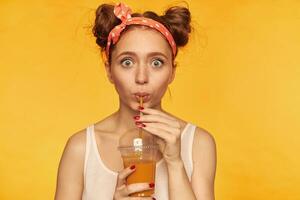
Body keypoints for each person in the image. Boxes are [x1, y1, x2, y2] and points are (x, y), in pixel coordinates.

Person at [54, 2, 216, 200]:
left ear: (172, 72)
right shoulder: (81, 149)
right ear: (109, 71)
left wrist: (175, 163)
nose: (141, 77)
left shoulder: (198, 144)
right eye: (127, 62)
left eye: (156, 63)